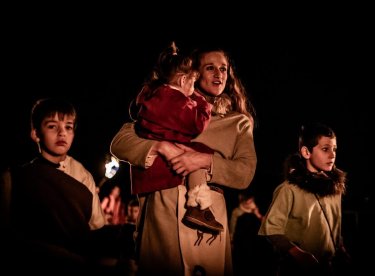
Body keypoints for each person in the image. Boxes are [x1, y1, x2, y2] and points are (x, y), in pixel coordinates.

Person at [110, 44, 257, 275]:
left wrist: (202, 161)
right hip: (162, 208)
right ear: (194, 74)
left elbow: (245, 172)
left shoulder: (238, 122)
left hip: (205, 211)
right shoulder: (168, 104)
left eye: (224, 69)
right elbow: (121, 141)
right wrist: (160, 146)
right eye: (210, 68)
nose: (218, 74)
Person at [4, 98, 106, 274]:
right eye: (52, 126)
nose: (62, 133)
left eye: (68, 127)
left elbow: (96, 227)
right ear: (36, 133)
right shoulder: (15, 177)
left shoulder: (83, 176)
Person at [130, 41, 223, 232]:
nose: (193, 88)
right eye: (192, 82)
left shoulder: (153, 94)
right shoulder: (179, 102)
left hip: (148, 170)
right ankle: (197, 205)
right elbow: (196, 125)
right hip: (165, 167)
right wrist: (202, 102)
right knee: (200, 154)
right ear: (182, 81)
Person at [258, 122, 352, 276]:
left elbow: (334, 228)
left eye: (334, 149)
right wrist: (298, 254)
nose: (332, 154)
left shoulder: (335, 189)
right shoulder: (289, 189)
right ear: (306, 152)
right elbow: (271, 230)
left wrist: (340, 249)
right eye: (325, 149)